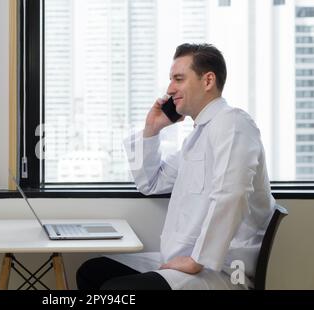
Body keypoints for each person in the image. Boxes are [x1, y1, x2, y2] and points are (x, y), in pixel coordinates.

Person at [76, 43, 275, 290]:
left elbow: (230, 196)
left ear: (208, 80)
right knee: (92, 272)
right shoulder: (196, 137)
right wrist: (152, 130)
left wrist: (197, 260)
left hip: (221, 268)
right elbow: (150, 183)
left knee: (116, 290)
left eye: (178, 79)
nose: (170, 89)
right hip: (189, 261)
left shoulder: (232, 124)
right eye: (171, 80)